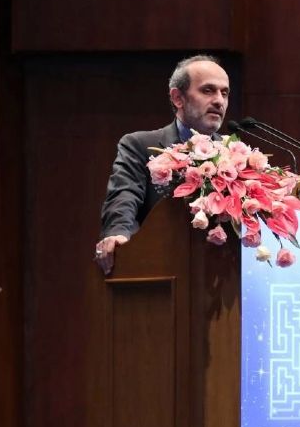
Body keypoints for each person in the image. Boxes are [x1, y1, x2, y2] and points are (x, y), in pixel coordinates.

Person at [95, 55, 230, 274]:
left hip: (221, 274)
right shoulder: (140, 145)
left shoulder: (234, 155)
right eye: (208, 90)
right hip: (160, 269)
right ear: (178, 98)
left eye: (224, 93)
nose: (219, 101)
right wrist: (118, 232)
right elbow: (124, 195)